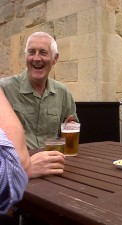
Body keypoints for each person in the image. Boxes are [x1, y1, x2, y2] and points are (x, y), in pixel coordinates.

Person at [0, 31, 77, 178]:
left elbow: (70, 134)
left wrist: (68, 131)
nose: (36, 58)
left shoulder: (63, 92)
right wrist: (24, 166)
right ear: (25, 57)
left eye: (43, 52)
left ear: (55, 58)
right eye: (31, 52)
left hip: (53, 171)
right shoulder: (4, 89)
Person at [0, 89, 30, 215]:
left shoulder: (62, 91)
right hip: (27, 167)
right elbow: (13, 164)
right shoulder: (7, 86)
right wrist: (27, 169)